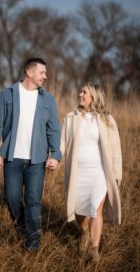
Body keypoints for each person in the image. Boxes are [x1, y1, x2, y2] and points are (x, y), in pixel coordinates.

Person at [0, 58, 61, 252]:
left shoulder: (48, 99)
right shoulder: (7, 94)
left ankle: (32, 246)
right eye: (42, 73)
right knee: (11, 199)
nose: (45, 77)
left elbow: (54, 129)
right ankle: (23, 227)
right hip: (12, 159)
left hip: (37, 160)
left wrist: (55, 154)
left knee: (33, 202)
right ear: (30, 73)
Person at [60, 83, 122, 261]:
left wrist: (117, 173)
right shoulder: (71, 118)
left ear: (94, 96)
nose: (80, 94)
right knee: (79, 210)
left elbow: (115, 148)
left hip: (99, 174)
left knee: (96, 210)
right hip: (77, 173)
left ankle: (94, 250)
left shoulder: (106, 119)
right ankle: (84, 231)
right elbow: (62, 143)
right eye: (79, 91)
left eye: (84, 92)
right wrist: (54, 158)